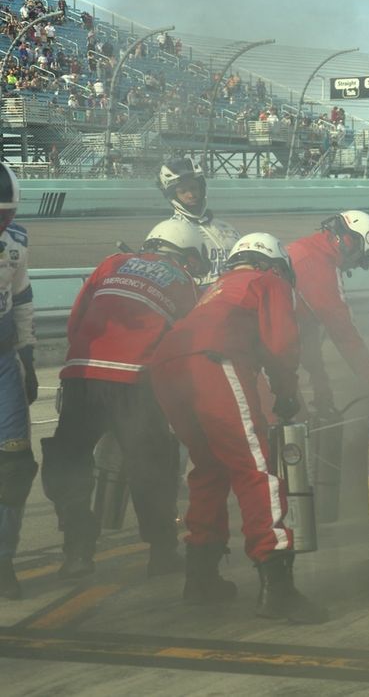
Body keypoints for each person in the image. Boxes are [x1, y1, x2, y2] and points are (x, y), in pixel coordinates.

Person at [149, 233, 328, 623]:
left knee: (208, 467)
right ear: (276, 263)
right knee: (256, 469)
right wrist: (286, 393)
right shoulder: (271, 281)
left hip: (166, 368)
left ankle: (201, 578)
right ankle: (278, 588)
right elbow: (281, 345)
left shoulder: (216, 287)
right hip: (214, 361)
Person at [40, 221, 211, 580]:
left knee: (69, 461)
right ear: (186, 254)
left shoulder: (112, 263)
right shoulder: (184, 281)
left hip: (83, 375)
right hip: (135, 381)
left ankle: (77, 549)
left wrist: (77, 364)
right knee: (152, 467)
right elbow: (185, 345)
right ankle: (162, 551)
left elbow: (77, 318)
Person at [287, 211, 369, 421]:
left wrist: (323, 395)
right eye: (359, 261)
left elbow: (307, 337)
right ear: (355, 244)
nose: (354, 266)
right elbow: (345, 334)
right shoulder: (320, 265)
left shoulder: (309, 246)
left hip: (256, 342)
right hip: (248, 347)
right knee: (291, 426)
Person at [0, 163, 36, 599]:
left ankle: (3, 561)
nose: (2, 222)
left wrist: (26, 356)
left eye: (7, 213)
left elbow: (23, 298)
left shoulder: (17, 242)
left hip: (4, 364)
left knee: (14, 468)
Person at [156, 156, 240, 286]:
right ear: (173, 196)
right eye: (183, 191)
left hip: (232, 292)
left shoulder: (226, 228)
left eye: (194, 188)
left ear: (202, 188)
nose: (191, 195)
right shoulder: (170, 232)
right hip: (196, 298)